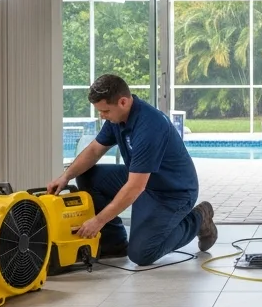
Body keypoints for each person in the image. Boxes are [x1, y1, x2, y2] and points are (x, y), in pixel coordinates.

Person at [49, 73, 217, 265]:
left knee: (141, 253)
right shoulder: (117, 119)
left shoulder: (149, 126)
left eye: (104, 111)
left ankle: (198, 218)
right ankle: (115, 243)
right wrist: (65, 177)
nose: (102, 116)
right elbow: (95, 150)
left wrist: (98, 221)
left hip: (172, 192)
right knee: (88, 176)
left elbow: (135, 187)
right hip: (144, 180)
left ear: (122, 102)